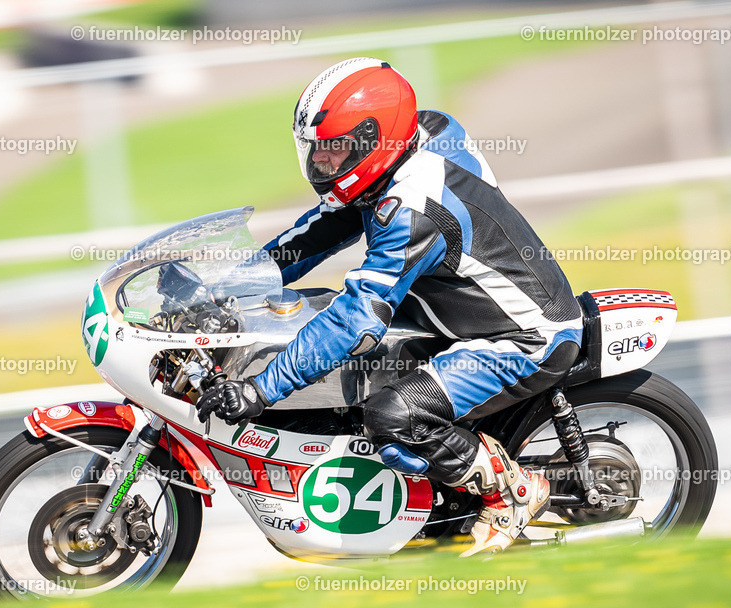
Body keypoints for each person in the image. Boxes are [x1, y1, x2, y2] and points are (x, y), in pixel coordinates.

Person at [197, 57, 582, 556]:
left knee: (392, 416)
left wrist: (261, 389)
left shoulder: (412, 211)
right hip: (453, 316)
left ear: (374, 141)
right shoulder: (420, 137)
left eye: (335, 148)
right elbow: (319, 231)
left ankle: (511, 492)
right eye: (315, 148)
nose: (322, 162)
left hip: (521, 339)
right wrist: (225, 287)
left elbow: (357, 320)